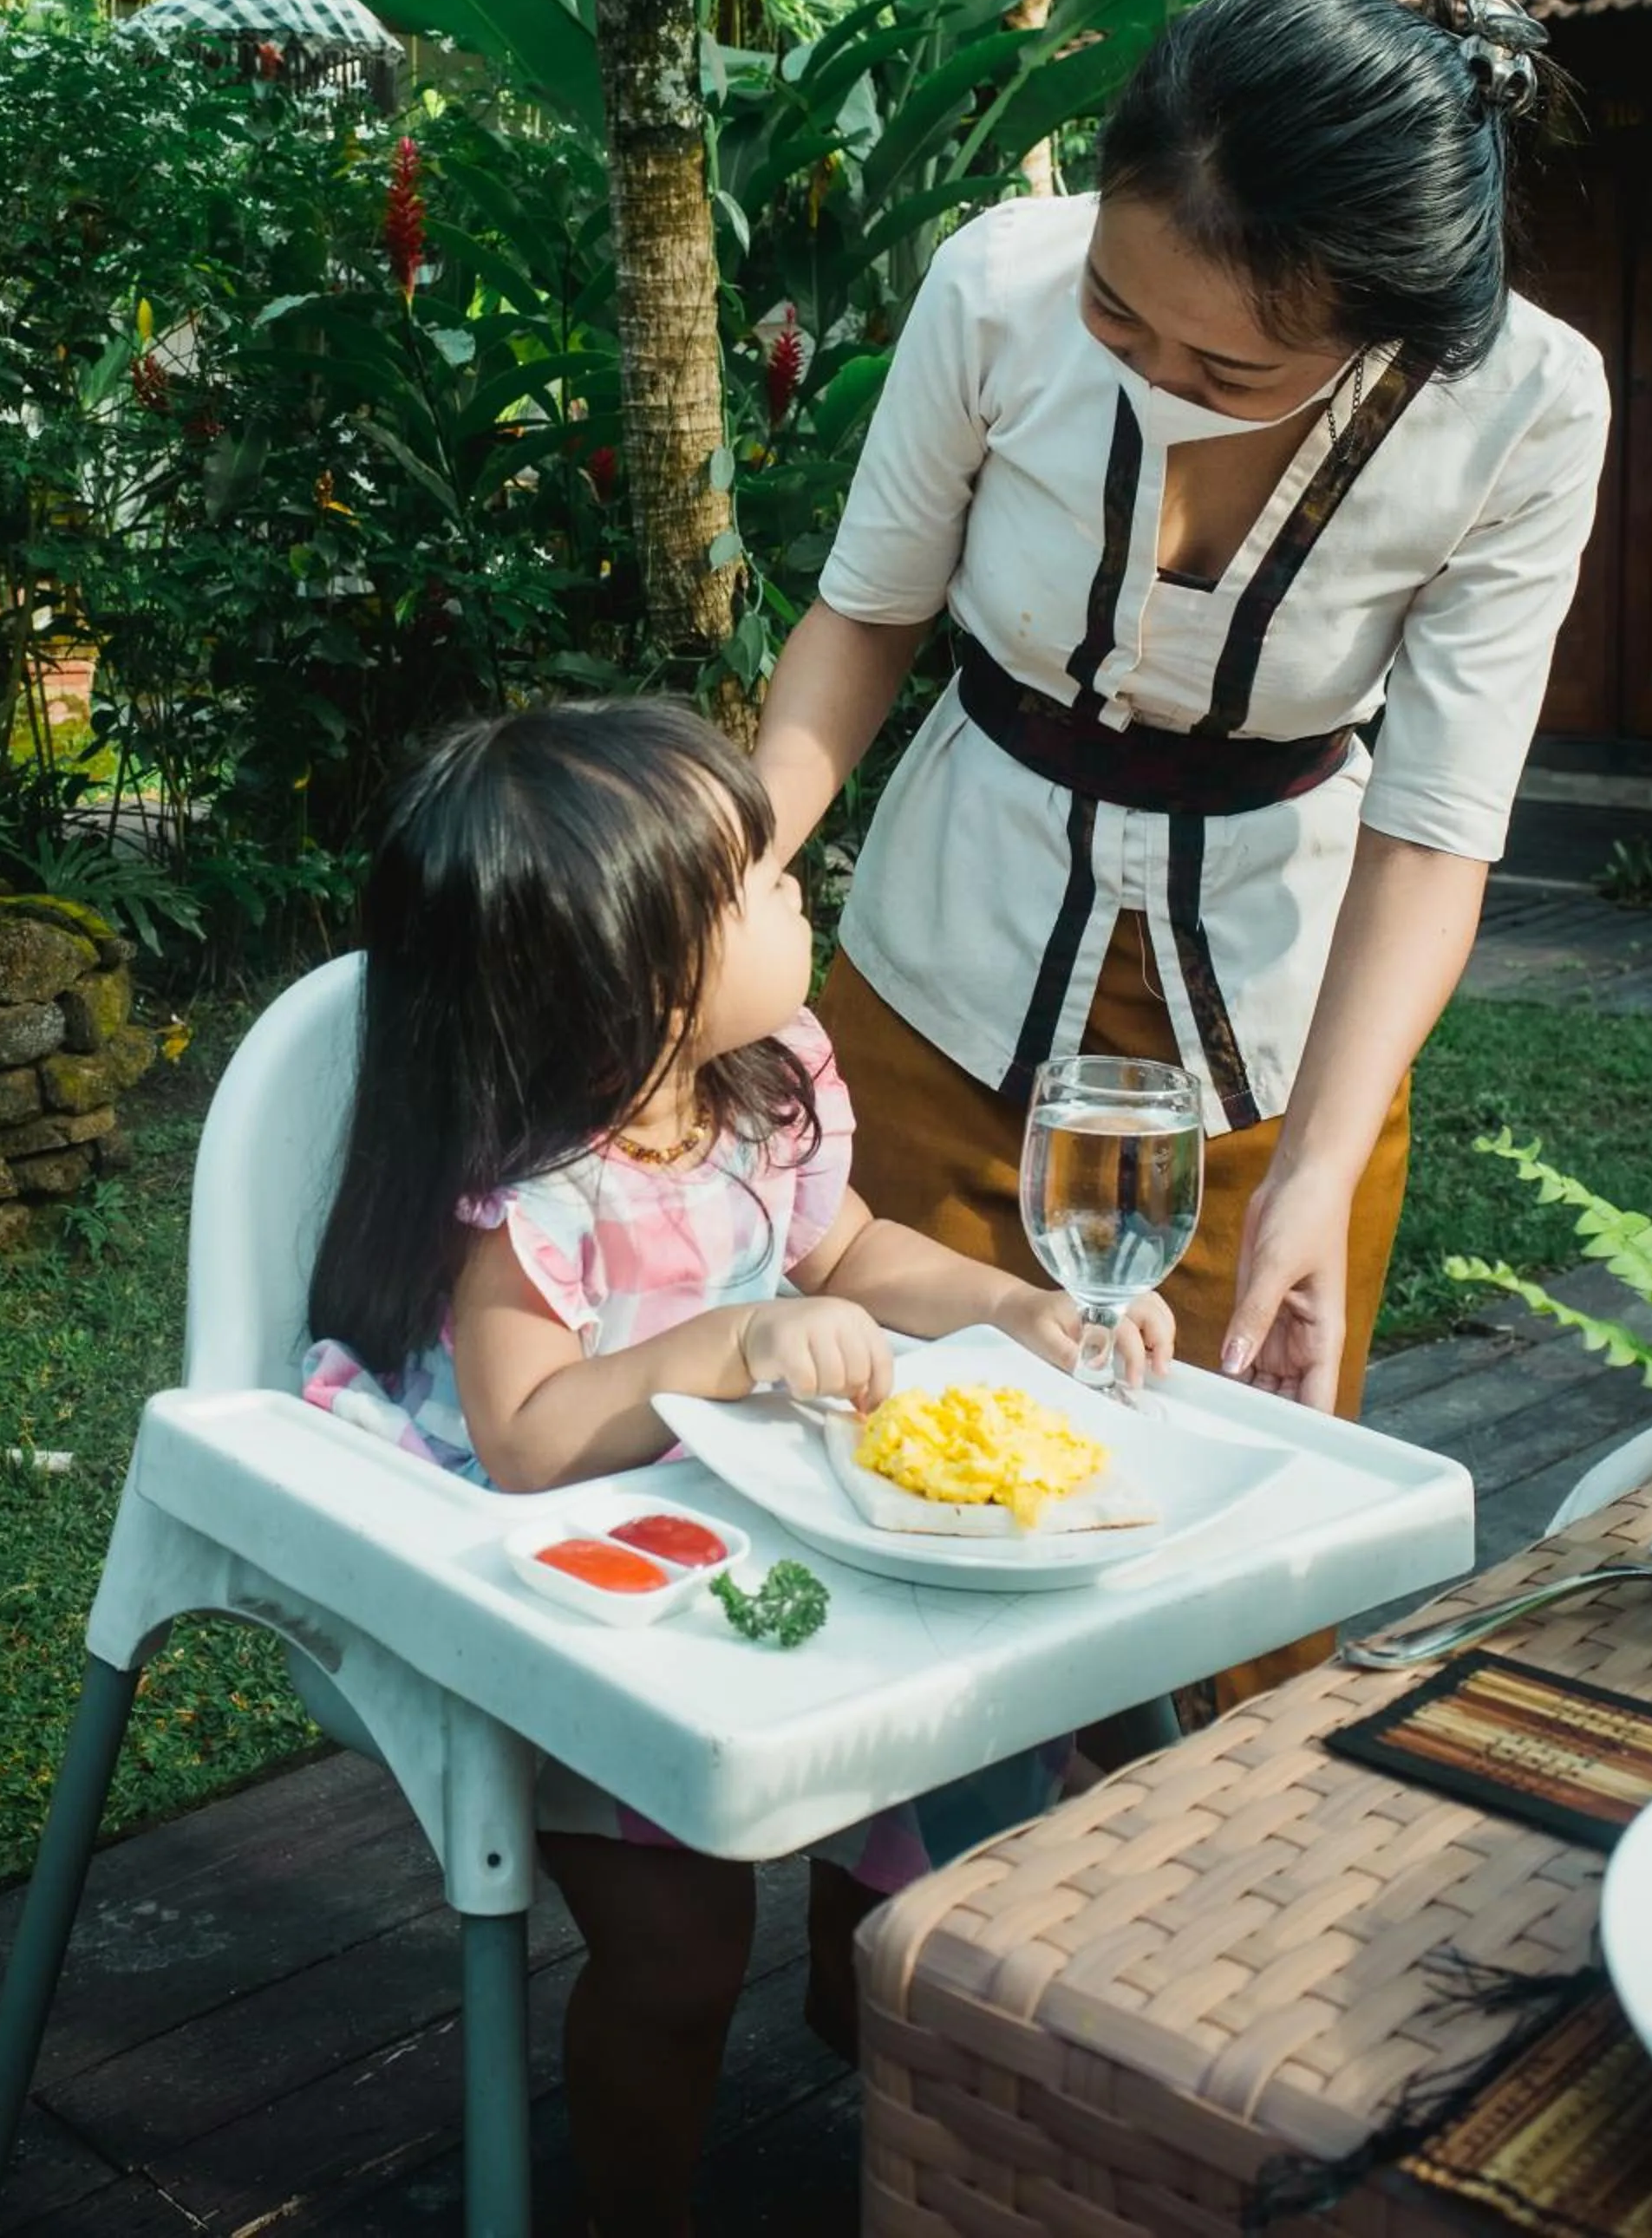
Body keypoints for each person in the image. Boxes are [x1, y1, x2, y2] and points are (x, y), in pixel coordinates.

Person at [752, 0, 1613, 1707]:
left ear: (1384, 334)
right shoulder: (993, 287)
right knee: (877, 1509)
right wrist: (725, 885)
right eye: (1116, 312)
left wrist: (1315, 1177)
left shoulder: (1526, 407)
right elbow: (862, 619)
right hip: (938, 981)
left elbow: (1435, 829)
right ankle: (901, 1895)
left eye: (1228, 364)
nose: (1152, 374)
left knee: (1239, 1573)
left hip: (1282, 1044)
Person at [299, 698, 1172, 2238]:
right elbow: (528, 1441)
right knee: (678, 1953)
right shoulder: (536, 1193)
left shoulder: (764, 1086)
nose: (796, 888)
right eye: (759, 883)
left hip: (762, 1531)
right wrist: (726, 1344)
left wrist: (1006, 1305)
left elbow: (853, 1251)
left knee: (970, 1801)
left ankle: (899, 2051)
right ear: (634, 971)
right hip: (584, 1583)